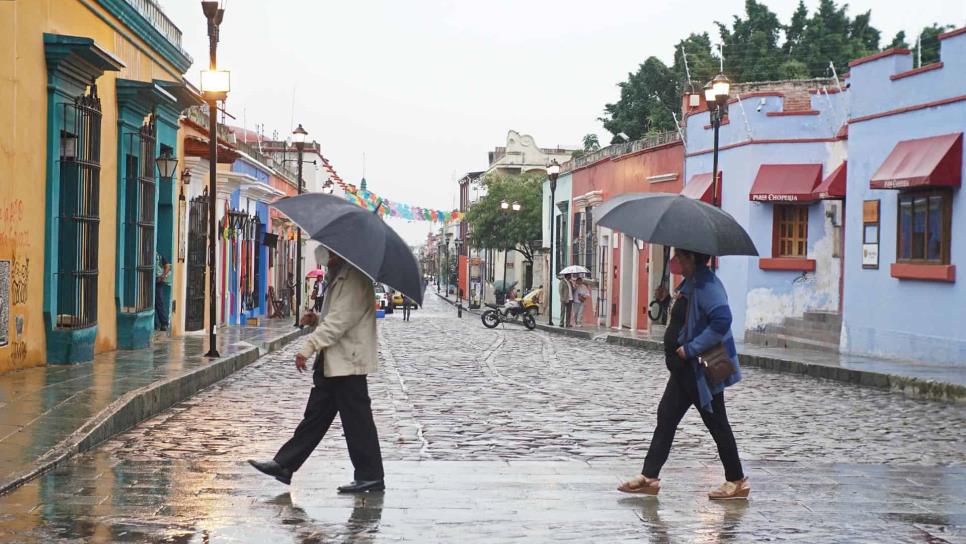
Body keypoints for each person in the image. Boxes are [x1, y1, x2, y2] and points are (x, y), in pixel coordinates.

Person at [249, 251, 385, 493]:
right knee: (315, 417)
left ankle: (371, 475)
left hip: (348, 362)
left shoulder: (354, 280)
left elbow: (340, 322)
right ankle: (284, 465)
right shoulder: (341, 277)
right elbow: (333, 318)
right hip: (334, 360)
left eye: (331, 255)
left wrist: (309, 346)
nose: (327, 259)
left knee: (358, 421)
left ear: (342, 254)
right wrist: (316, 319)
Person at [618, 248, 748, 500]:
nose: (675, 259)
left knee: (716, 421)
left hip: (697, 367)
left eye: (679, 255)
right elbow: (685, 317)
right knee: (666, 416)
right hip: (683, 369)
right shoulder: (692, 282)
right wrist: (667, 299)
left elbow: (722, 320)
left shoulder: (708, 285)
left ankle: (736, 481)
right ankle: (649, 476)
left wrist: (690, 349)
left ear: (691, 258)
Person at [154, 253, 171, 331]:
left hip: (158, 280)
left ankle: (164, 323)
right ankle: (157, 324)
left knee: (159, 302)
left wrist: (162, 276)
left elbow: (167, 266)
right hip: (151, 279)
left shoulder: (160, 256)